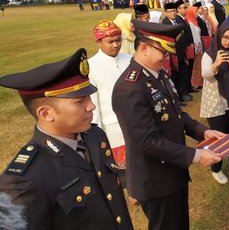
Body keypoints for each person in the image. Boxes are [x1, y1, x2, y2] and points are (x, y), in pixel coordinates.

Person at [0, 49, 134, 230]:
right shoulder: (23, 181)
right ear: (46, 113)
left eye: (89, 96)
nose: (91, 105)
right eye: (80, 102)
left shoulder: (96, 136)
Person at [112, 20, 223, 230]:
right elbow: (148, 142)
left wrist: (203, 131)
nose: (167, 58)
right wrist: (196, 156)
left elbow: (175, 114)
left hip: (172, 172)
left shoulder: (156, 74)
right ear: (143, 48)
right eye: (163, 52)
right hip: (155, 180)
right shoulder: (130, 87)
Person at [200, 22, 229, 184]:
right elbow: (205, 74)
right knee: (218, 137)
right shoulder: (210, 54)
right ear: (219, 37)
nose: (228, 42)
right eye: (225, 38)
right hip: (215, 101)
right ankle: (216, 169)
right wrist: (216, 63)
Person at [88, 20, 132, 179]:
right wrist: (97, 135)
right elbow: (93, 106)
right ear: (98, 42)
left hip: (137, 123)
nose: (115, 45)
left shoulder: (129, 59)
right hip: (112, 130)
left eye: (118, 40)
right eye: (110, 41)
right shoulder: (91, 67)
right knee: (121, 176)